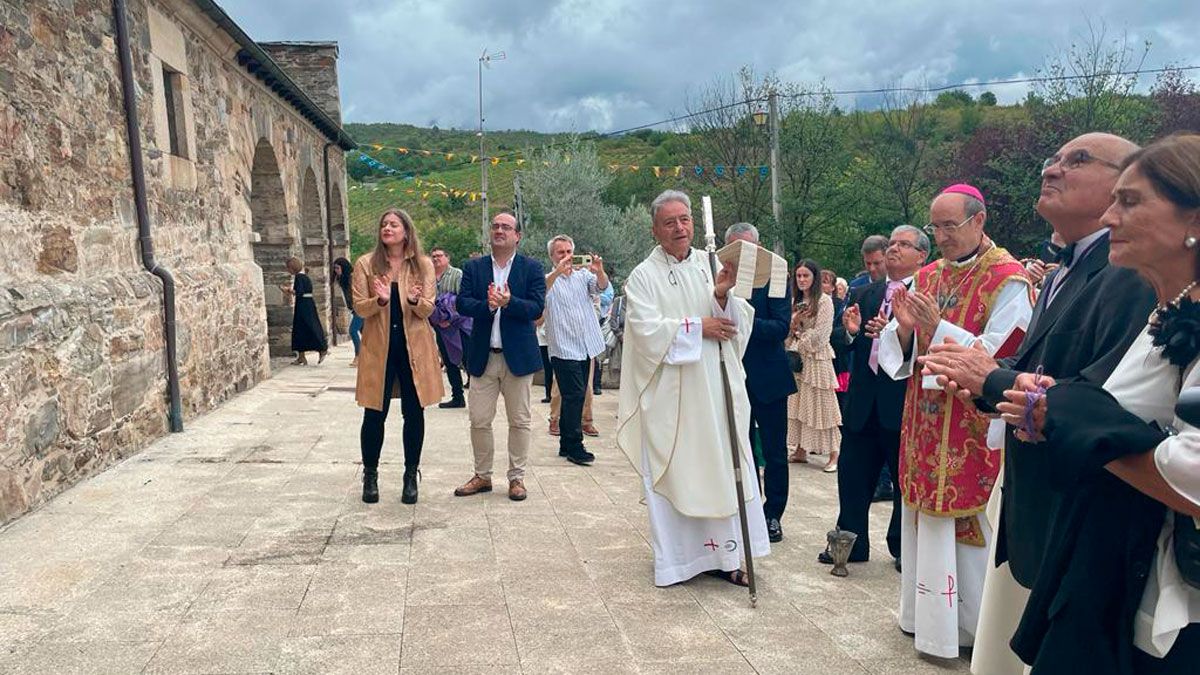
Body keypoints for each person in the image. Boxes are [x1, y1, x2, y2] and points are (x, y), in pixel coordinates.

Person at [918, 133, 1152, 675]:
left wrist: (992, 379)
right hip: (1038, 494)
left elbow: (1103, 400)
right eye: (1053, 158)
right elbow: (1032, 364)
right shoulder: (1059, 275)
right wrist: (979, 384)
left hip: (1080, 505)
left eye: (1078, 160)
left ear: (1127, 187)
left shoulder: (1129, 274)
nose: (1052, 169)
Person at [990, 133, 1200, 674]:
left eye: (1129, 202)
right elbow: (1102, 404)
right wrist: (1056, 412)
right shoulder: (1169, 312)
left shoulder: (1136, 292)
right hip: (1113, 569)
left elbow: (1193, 473)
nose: (1111, 219)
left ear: (1194, 221)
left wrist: (1069, 421)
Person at [877, 183, 1034, 659]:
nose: (941, 237)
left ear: (978, 221)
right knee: (924, 522)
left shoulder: (1008, 280)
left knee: (966, 530)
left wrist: (935, 329)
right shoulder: (926, 277)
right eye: (936, 227)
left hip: (971, 426)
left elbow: (1004, 353)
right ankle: (924, 621)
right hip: (923, 423)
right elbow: (894, 349)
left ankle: (967, 629)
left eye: (950, 226)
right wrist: (904, 329)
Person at [617, 189, 770, 588]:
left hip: (717, 390)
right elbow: (645, 332)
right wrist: (698, 326)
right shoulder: (643, 276)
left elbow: (738, 322)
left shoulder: (711, 263)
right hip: (674, 397)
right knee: (681, 469)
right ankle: (684, 561)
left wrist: (720, 296)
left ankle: (732, 555)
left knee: (724, 465)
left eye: (684, 219)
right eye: (669, 222)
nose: (680, 228)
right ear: (655, 229)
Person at [820, 225, 929, 570]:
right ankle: (851, 541)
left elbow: (930, 345)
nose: (895, 249)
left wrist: (899, 334)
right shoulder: (866, 294)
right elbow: (842, 340)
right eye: (892, 243)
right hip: (863, 402)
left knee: (902, 481)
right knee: (852, 474)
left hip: (902, 403)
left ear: (922, 256)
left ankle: (902, 547)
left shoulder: (927, 296)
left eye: (904, 245)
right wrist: (850, 334)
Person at [351, 209, 444, 505]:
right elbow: (359, 309)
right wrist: (379, 299)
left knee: (414, 413)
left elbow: (429, 309)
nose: (387, 228)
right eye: (383, 224)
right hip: (379, 348)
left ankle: (410, 474)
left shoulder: (423, 265)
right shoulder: (366, 264)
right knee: (374, 413)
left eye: (393, 224)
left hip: (413, 347)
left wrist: (415, 301)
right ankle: (370, 474)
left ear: (406, 230)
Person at [454, 210, 546, 502]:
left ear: (517, 236)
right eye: (495, 226)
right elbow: (462, 304)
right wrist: (489, 306)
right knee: (479, 420)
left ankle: (517, 478)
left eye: (506, 227)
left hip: (517, 357)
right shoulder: (474, 268)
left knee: (519, 420)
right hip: (484, 355)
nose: (499, 231)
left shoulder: (531, 268)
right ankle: (482, 475)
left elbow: (536, 308)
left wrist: (509, 302)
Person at [726, 223, 795, 543]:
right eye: (736, 249)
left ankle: (773, 514)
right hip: (730, 374)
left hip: (768, 375)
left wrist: (743, 323)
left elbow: (781, 327)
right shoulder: (720, 278)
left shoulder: (776, 275)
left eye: (749, 248)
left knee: (774, 451)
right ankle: (748, 509)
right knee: (740, 449)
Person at [543, 235, 609, 466]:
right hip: (563, 346)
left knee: (578, 395)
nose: (566, 256)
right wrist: (557, 273)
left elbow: (601, 287)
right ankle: (574, 445)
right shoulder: (548, 280)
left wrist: (598, 270)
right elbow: (540, 294)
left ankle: (565, 444)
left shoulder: (584, 276)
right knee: (573, 396)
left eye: (569, 251)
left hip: (585, 345)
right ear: (552, 256)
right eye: (560, 253)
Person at [785, 259, 842, 471]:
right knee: (799, 404)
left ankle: (834, 454)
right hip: (798, 359)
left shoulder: (825, 301)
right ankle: (801, 449)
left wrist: (800, 337)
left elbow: (822, 334)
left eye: (805, 275)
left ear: (814, 277)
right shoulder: (793, 301)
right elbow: (787, 333)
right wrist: (794, 323)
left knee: (823, 406)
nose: (801, 280)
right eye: (798, 276)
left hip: (817, 360)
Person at [430, 247, 468, 409]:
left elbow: (462, 300)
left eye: (439, 256)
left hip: (459, 326)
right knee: (449, 361)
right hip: (439, 326)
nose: (436, 259)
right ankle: (457, 396)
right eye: (433, 256)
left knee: (467, 358)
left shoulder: (457, 275)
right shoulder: (428, 276)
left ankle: (479, 397)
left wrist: (451, 319)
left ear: (448, 257)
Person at [281, 257, 328, 365]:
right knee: (301, 329)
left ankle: (321, 348)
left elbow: (300, 292)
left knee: (307, 327)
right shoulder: (305, 277)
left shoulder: (299, 277)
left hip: (303, 306)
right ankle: (301, 356)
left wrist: (288, 290)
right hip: (308, 304)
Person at [333, 257, 362, 367]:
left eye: (337, 268)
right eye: (335, 268)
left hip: (360, 308)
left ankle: (358, 356)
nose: (336, 271)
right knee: (366, 333)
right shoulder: (342, 279)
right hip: (354, 309)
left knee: (353, 330)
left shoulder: (352, 278)